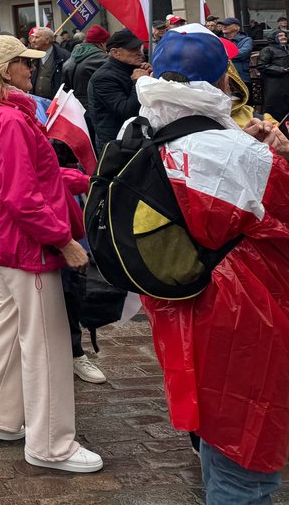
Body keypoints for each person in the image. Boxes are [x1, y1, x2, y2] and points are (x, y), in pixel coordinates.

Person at [136, 28, 289, 501]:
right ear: (223, 80)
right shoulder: (250, 156)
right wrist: (277, 154)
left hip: (180, 299)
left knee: (214, 428)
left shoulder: (141, 131)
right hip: (248, 312)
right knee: (246, 455)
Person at [0, 36, 103, 474]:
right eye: (24, 63)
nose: (31, 69)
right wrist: (63, 239)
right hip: (26, 244)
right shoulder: (10, 119)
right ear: (7, 70)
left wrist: (81, 180)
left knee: (9, 325)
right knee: (46, 345)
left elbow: (31, 175)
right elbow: (23, 194)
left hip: (5, 241)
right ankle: (51, 444)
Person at [87, 30, 150, 151]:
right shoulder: (103, 77)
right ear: (115, 53)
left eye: (139, 48)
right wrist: (139, 82)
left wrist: (151, 77)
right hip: (117, 146)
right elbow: (127, 112)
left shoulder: (133, 68)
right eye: (133, 49)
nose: (140, 53)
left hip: (135, 140)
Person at [62, 25, 110, 103]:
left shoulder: (70, 59)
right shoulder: (104, 59)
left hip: (75, 107)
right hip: (96, 106)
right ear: (101, 44)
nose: (106, 48)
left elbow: (64, 88)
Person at [28, 27, 67, 100]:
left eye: (36, 37)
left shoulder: (63, 57)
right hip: (36, 102)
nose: (33, 41)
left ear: (47, 40)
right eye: (32, 38)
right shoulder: (31, 57)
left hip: (56, 103)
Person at [259, 28, 289, 123]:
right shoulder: (267, 49)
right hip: (274, 85)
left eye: (284, 35)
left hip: (286, 84)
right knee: (275, 109)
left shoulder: (287, 49)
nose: (283, 37)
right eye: (280, 36)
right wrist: (282, 69)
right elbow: (262, 65)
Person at [219, 18, 254, 84]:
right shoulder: (219, 40)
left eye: (227, 24)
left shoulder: (246, 40)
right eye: (223, 24)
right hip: (222, 78)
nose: (224, 26)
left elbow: (243, 53)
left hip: (241, 78)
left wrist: (222, 55)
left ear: (237, 27)